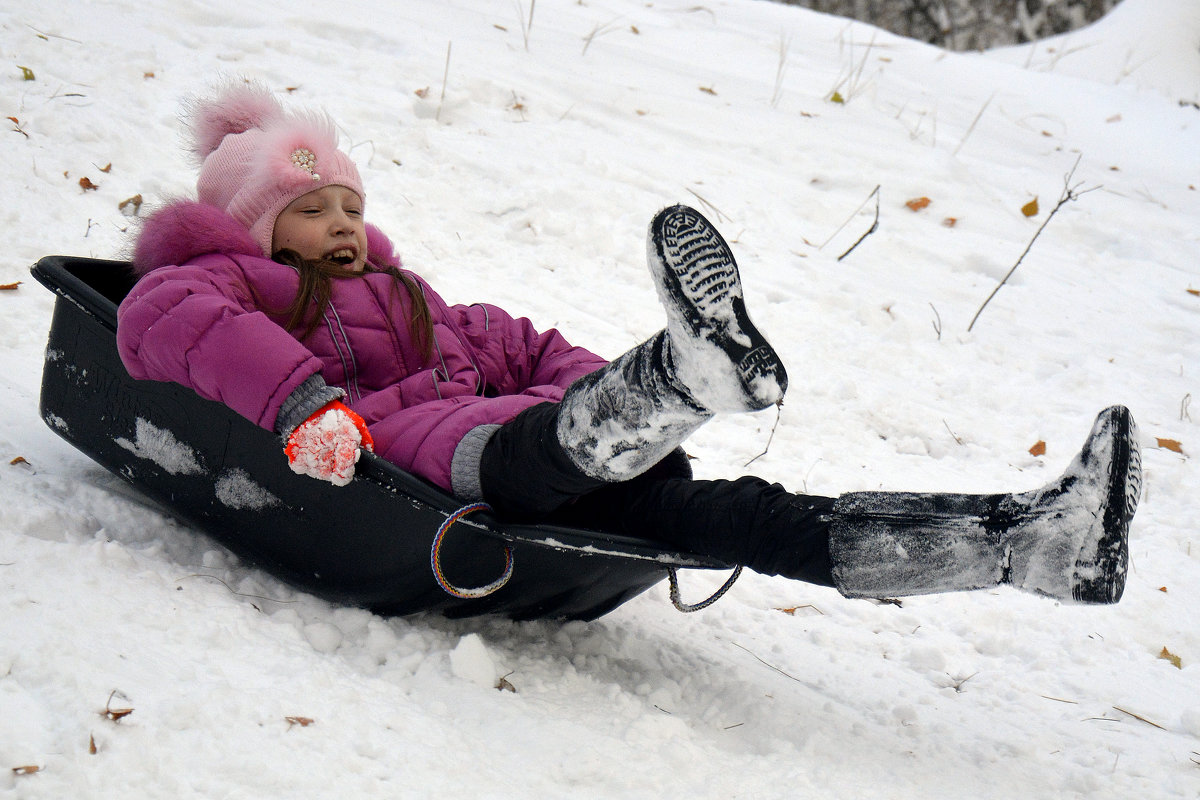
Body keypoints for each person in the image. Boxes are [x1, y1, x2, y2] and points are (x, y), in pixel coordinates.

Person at [117, 82, 1141, 605]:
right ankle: (667, 387)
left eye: (350, 202)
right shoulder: (221, 280)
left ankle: (1023, 545)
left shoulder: (414, 298)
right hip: (414, 460)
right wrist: (302, 404)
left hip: (544, 451)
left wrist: (579, 382)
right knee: (525, 439)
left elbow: (519, 344)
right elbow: (170, 325)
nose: (341, 222)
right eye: (310, 208)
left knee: (741, 513)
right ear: (256, 225)